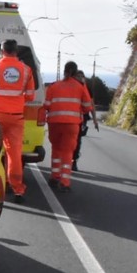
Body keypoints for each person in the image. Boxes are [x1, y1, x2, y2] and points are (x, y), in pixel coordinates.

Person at [0, 39, 36, 202]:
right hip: (16, 117)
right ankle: (17, 190)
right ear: (16, 51)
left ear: (2, 51)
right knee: (14, 154)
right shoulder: (26, 70)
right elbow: (30, 96)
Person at [44, 61, 94, 192]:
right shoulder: (80, 87)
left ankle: (54, 176)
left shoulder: (53, 86)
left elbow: (46, 105)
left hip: (54, 123)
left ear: (64, 71)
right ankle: (64, 182)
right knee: (67, 152)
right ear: (76, 72)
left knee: (56, 149)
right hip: (71, 125)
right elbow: (87, 107)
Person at [71, 70, 98, 171]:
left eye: (82, 76)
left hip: (82, 119)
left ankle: (74, 161)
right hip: (71, 118)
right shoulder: (71, 88)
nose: (80, 78)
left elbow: (91, 105)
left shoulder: (87, 89)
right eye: (78, 76)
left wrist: (95, 120)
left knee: (77, 141)